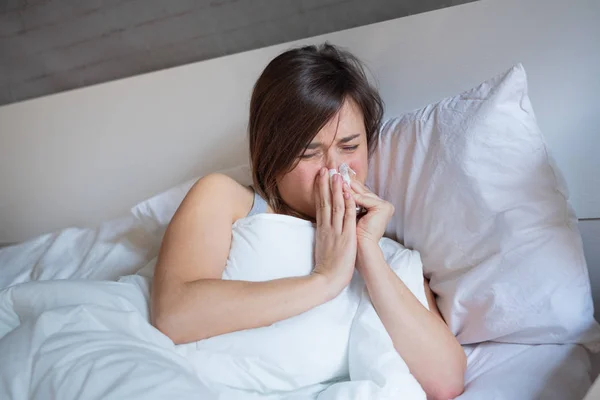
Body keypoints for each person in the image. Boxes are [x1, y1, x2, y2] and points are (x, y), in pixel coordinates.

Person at [151, 43, 466, 400]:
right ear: (270, 152)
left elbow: (447, 381)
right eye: (307, 152)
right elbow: (175, 315)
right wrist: (326, 279)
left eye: (349, 147)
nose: (334, 169)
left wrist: (367, 252)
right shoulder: (225, 199)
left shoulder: (390, 252)